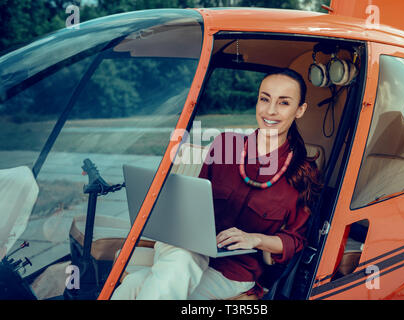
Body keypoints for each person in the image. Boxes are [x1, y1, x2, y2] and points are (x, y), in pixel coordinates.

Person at [111, 68, 322, 300]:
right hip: (187, 247)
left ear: (299, 110)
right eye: (264, 99)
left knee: (134, 286)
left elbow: (296, 240)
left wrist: (256, 239)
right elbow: (193, 201)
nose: (270, 110)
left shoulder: (303, 172)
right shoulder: (224, 145)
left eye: (283, 103)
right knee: (182, 259)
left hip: (235, 271)